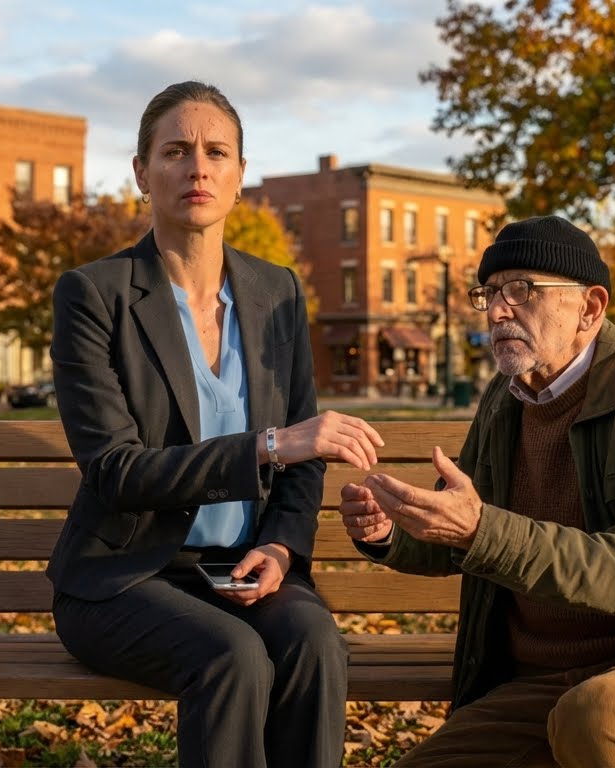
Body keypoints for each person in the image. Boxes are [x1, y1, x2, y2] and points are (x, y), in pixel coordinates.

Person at [48, 80, 384, 768]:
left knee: (313, 642)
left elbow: (305, 456)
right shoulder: (94, 295)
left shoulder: (277, 293)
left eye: (215, 152)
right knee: (231, 658)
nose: (196, 167)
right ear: (142, 174)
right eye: (174, 151)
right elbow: (115, 472)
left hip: (243, 570)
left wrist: (285, 549)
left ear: (238, 176)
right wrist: (268, 445)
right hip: (124, 577)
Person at [340, 215, 615, 768]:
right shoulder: (504, 400)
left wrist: (481, 528)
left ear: (590, 307)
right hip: (533, 679)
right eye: (489, 293)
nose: (498, 310)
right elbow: (463, 536)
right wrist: (391, 533)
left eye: (521, 290)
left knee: (596, 717)